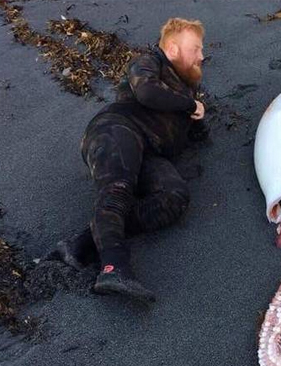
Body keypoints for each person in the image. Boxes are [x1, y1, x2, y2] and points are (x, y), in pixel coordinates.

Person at [48, 17, 208, 304]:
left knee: (175, 196)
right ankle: (114, 267)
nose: (201, 55)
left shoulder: (186, 89)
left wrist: (198, 119)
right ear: (172, 49)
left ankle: (81, 244)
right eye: (195, 48)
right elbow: (146, 92)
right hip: (116, 130)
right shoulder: (148, 62)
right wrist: (189, 105)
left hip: (150, 151)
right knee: (118, 188)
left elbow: (188, 130)